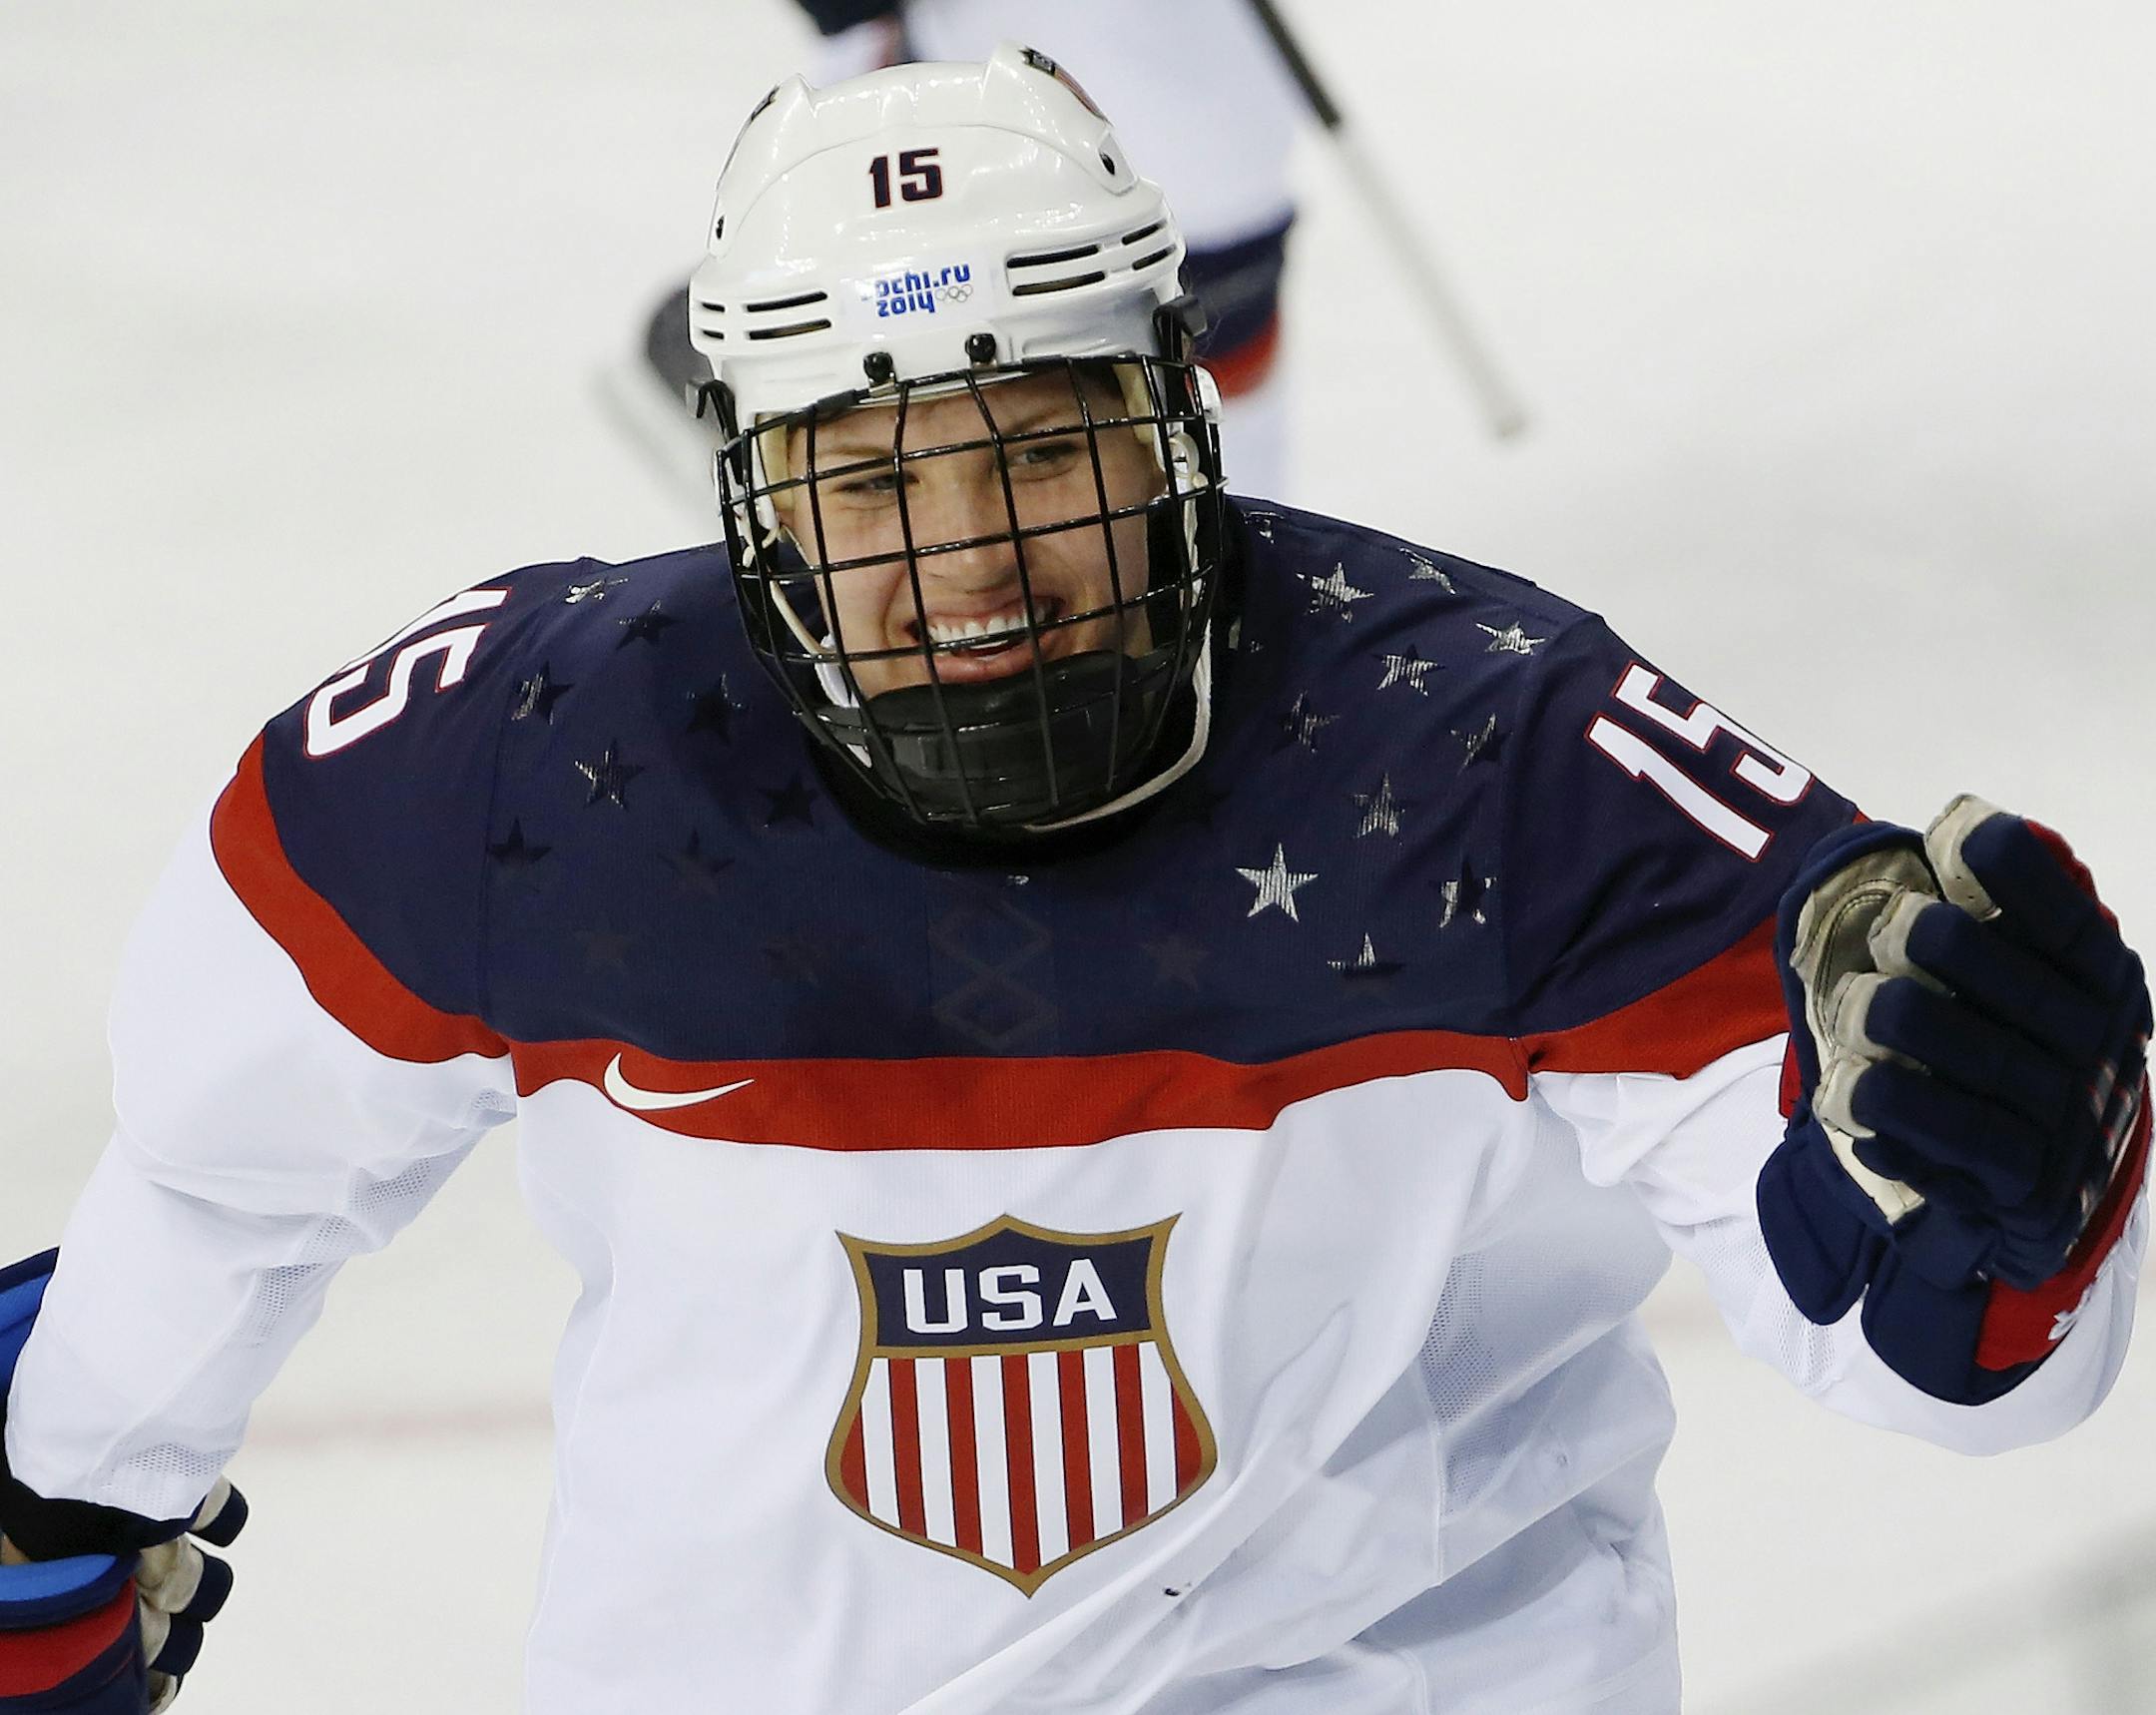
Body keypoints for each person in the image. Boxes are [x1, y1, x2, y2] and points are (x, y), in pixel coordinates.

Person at [2, 45, 2148, 1715]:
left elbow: (1934, 1351)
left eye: (1041, 447)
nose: (973, 560)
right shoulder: (520, 764)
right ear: (748, 490)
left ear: (1177, 422)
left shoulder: (1498, 753)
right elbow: (217, 1183)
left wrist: (2010, 1209)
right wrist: (67, 1475)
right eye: (873, 474)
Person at [644, 0, 1303, 498]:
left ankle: (839, 474)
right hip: (1231, 164)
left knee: (968, 383)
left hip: (1013, 146)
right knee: (1205, 419)